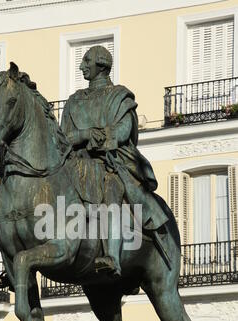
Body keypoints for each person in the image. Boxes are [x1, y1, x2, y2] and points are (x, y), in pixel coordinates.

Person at [61, 45, 168, 278]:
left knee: (110, 193)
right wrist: (78, 137)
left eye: (86, 61)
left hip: (110, 163)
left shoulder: (120, 96)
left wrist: (91, 137)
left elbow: (122, 132)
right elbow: (62, 138)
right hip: (75, 164)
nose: (81, 66)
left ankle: (112, 256)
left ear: (101, 65)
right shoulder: (73, 101)